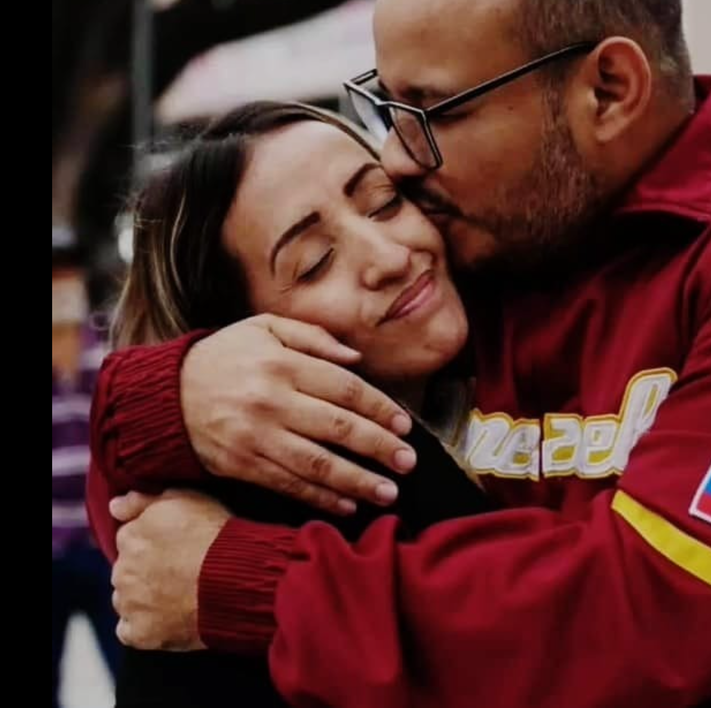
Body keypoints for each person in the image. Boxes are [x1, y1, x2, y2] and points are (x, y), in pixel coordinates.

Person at [96, 0, 711, 705]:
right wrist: (170, 398)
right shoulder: (461, 254)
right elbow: (149, 539)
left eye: (434, 111)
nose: (400, 160)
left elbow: (654, 616)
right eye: (387, 112)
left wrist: (260, 589)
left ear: (607, 91)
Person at [91, 101, 493, 707]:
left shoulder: (540, 310)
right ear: (239, 335)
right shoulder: (205, 539)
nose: (388, 258)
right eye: (315, 263)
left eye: (384, 201)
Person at [52, 238, 122, 708]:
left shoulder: (110, 351)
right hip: (52, 549)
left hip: (104, 546)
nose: (62, 287)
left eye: (68, 275)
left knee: (132, 669)